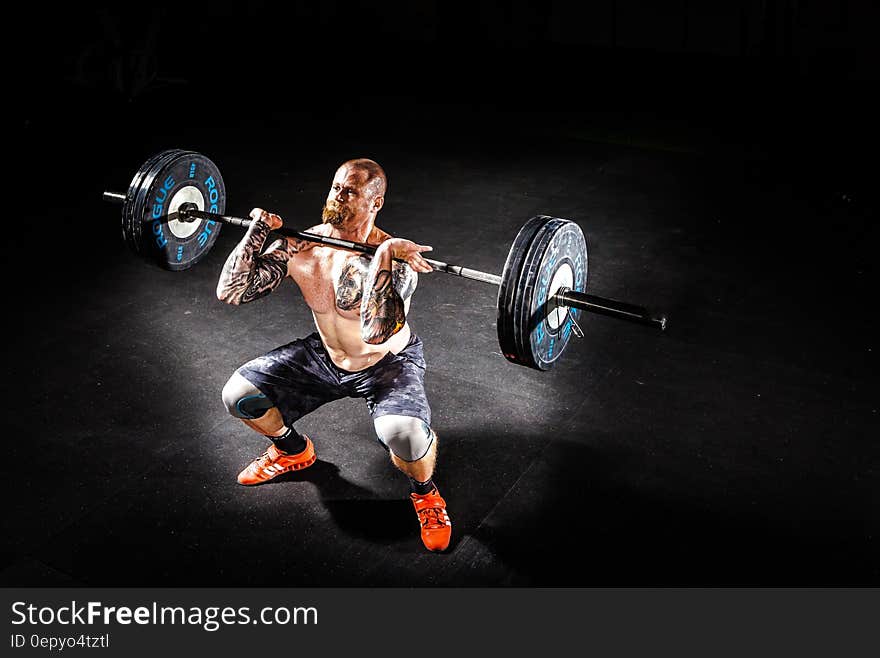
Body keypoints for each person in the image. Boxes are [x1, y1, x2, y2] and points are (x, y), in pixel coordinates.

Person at [216, 158, 451, 552]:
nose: (338, 196)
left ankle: (425, 494)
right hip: (325, 355)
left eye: (351, 191)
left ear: (375, 203)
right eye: (335, 187)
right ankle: (293, 452)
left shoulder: (396, 259)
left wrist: (384, 255)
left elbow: (375, 332)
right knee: (238, 396)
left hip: (385, 364)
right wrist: (257, 233)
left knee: (404, 436)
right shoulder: (301, 246)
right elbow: (233, 291)